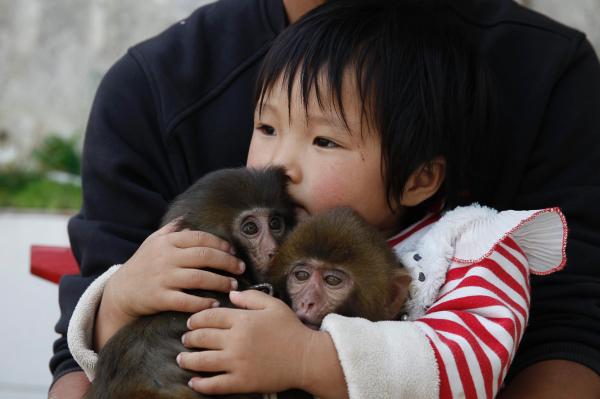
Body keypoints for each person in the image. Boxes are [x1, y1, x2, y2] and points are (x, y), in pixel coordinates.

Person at [50, 0, 600, 398]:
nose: (276, 165)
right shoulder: (266, 236)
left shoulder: (469, 246)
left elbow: (477, 358)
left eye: (324, 140)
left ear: (420, 178)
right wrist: (118, 300)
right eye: (264, 127)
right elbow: (106, 352)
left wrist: (310, 359)